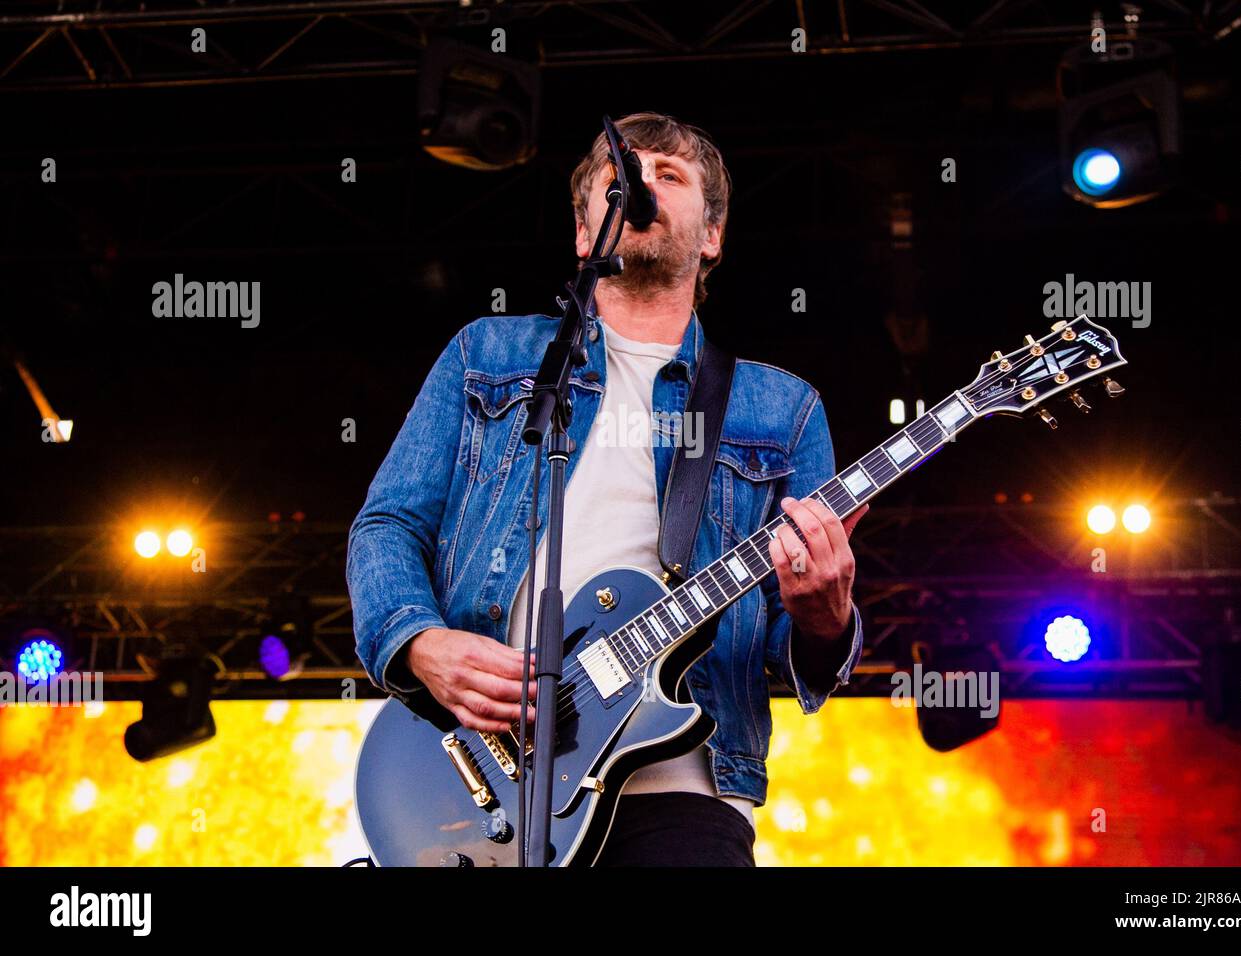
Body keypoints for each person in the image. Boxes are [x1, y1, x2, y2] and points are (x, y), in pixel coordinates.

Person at [347, 111, 868, 866]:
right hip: (478, 771)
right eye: (619, 178)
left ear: (712, 234)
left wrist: (826, 618)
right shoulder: (486, 354)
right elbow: (388, 523)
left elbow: (800, 654)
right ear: (585, 230)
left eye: (670, 175)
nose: (643, 183)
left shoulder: (781, 409)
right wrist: (419, 641)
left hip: (682, 801)